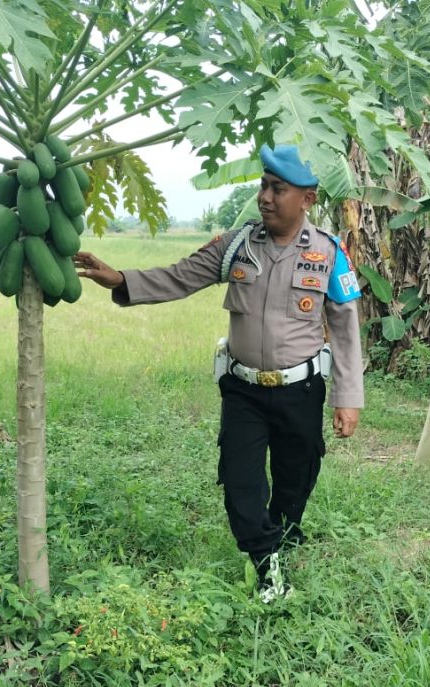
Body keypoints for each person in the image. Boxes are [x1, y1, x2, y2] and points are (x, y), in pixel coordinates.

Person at [75, 144, 364, 603]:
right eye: (264, 186)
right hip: (244, 391)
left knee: (295, 482)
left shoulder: (328, 254)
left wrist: (348, 397)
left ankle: (281, 544)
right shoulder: (236, 245)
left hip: (301, 391)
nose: (265, 197)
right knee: (240, 484)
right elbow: (180, 276)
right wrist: (121, 280)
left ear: (306, 199)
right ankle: (267, 564)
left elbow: (346, 328)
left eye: (278, 189)